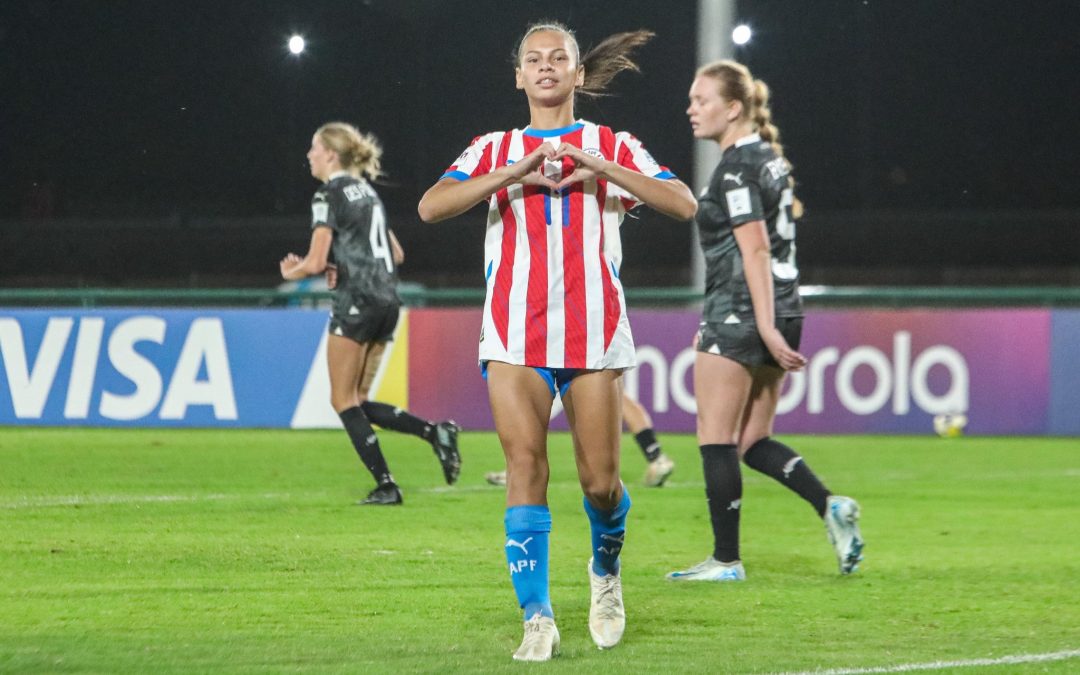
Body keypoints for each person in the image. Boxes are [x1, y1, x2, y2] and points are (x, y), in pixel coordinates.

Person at [418, 23, 696, 661]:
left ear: (577, 73)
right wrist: (514, 173)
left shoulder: (611, 143)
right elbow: (432, 207)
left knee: (601, 484)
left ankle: (605, 575)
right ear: (518, 76)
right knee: (526, 468)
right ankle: (537, 616)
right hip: (514, 336)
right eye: (533, 60)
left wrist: (601, 170)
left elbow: (683, 203)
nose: (545, 68)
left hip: (593, 335)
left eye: (558, 58)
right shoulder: (493, 148)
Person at [667, 61, 864, 582]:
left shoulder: (734, 167)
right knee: (752, 442)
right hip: (779, 304)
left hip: (744, 309)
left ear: (733, 108)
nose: (691, 108)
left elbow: (753, 250)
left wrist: (763, 326)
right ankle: (830, 506)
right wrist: (775, 321)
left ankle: (726, 560)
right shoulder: (769, 158)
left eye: (701, 99)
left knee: (715, 437)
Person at [280, 122, 461, 506]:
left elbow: (312, 262)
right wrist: (342, 264)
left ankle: (387, 485)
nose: (309, 155)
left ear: (330, 153)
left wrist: (292, 270)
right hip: (387, 302)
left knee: (343, 401)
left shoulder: (327, 193)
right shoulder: (368, 194)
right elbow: (394, 254)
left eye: (314, 148)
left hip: (357, 302)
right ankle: (434, 432)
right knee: (359, 401)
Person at [484, 392, 675, 487]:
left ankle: (518, 469)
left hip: (568, 329)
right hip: (595, 327)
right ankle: (657, 458)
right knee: (617, 395)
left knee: (537, 392)